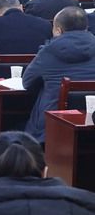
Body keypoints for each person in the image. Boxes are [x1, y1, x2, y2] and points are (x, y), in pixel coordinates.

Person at [22, 7, 95, 142]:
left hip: (51, 125)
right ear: (86, 27)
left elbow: (27, 82)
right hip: (91, 118)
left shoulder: (49, 51)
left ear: (58, 30)